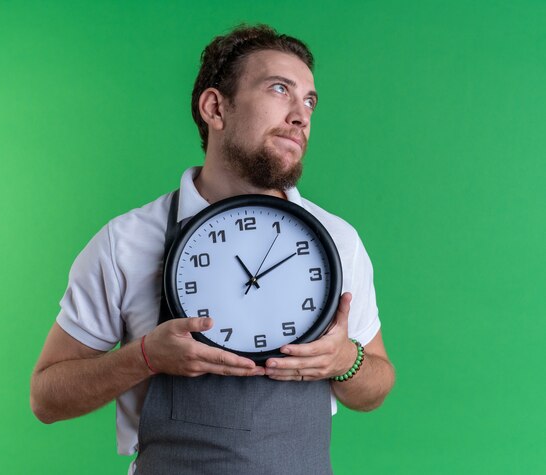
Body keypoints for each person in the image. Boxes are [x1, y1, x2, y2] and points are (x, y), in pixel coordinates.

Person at [30, 24, 395, 474]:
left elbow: (376, 384)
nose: (301, 115)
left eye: (309, 100)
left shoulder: (338, 240)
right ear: (215, 107)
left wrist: (344, 360)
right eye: (280, 89)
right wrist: (145, 357)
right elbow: (46, 397)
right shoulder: (125, 242)